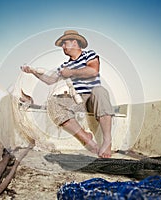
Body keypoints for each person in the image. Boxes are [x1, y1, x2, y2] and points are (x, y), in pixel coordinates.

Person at [21, 30, 114, 158]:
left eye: (65, 43)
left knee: (100, 91)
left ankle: (107, 141)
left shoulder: (89, 55)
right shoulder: (65, 65)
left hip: (93, 97)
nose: (63, 47)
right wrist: (33, 72)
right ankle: (86, 139)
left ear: (74, 42)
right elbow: (50, 80)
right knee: (53, 102)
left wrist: (71, 72)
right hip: (77, 99)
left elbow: (93, 71)